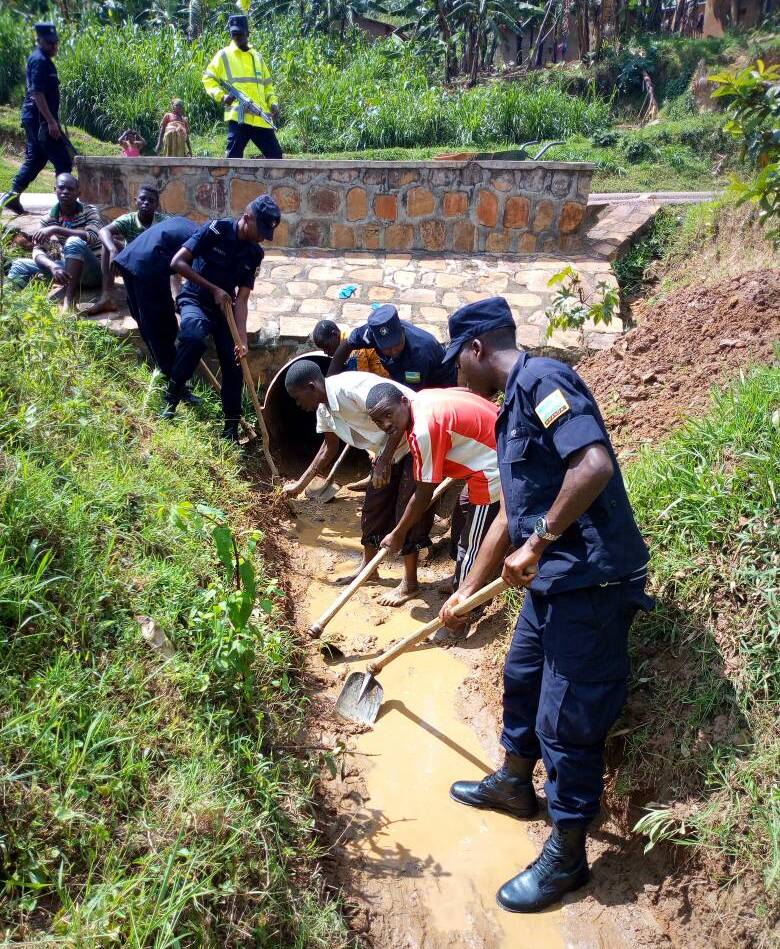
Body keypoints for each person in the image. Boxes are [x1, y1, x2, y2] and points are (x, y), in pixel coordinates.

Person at [437, 296, 653, 913]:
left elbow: (593, 465)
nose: (459, 375)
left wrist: (539, 543)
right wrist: (465, 593)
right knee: (522, 677)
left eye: (460, 362)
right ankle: (513, 782)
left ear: (478, 348)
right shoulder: (510, 409)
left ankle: (568, 854)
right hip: (551, 581)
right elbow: (511, 511)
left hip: (590, 582)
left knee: (567, 718)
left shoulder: (544, 380)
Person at [283, 363, 433, 608]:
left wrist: (384, 460)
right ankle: (369, 569)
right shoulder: (324, 410)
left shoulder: (351, 389)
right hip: (386, 450)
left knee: (407, 506)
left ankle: (410, 583)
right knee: (374, 505)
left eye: (298, 398)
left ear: (312, 386)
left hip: (414, 436)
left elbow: (396, 415)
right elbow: (328, 449)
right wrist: (300, 485)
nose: (298, 406)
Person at [366, 381, 501, 622]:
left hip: (494, 466)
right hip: (492, 446)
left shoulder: (422, 431)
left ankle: (464, 613)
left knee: (472, 545)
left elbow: (423, 493)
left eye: (388, 415)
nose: (386, 425)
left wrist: (398, 533)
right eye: (378, 421)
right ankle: (461, 580)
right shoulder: (421, 400)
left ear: (403, 402)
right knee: (462, 509)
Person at [165, 195, 281, 441]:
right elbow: (178, 263)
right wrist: (213, 289)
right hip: (196, 299)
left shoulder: (254, 253)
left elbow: (242, 300)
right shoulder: (216, 230)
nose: (261, 237)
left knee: (235, 361)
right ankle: (172, 398)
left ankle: (230, 428)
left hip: (225, 311)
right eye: (259, 230)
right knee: (194, 337)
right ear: (247, 218)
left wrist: (242, 339)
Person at [112, 215, 199, 392]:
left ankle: (169, 376)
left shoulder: (197, 230)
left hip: (133, 259)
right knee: (160, 327)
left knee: (153, 323)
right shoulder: (206, 246)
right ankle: (176, 386)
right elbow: (194, 279)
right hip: (145, 265)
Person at [1, 23, 71, 216]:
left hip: (37, 119)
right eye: (50, 43)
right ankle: (64, 210)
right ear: (39, 40)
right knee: (63, 161)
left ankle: (12, 197)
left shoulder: (44, 60)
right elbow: (37, 93)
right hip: (39, 120)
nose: (54, 47)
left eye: (56, 43)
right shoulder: (39, 60)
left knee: (36, 160)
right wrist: (50, 121)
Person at [7, 173, 103, 311]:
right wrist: (53, 266)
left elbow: (92, 236)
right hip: (69, 271)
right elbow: (37, 249)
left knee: (73, 242)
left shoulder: (90, 211)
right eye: (61, 188)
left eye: (70, 189)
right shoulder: (48, 218)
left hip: (93, 272)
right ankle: (11, 306)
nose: (65, 192)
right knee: (19, 265)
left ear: (78, 193)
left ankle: (68, 301)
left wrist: (55, 229)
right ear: (55, 190)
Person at [202, 15, 282, 160]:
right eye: (234, 34)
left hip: (260, 118)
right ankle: (226, 183)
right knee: (232, 159)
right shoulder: (223, 55)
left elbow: (268, 86)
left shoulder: (257, 57)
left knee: (276, 157)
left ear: (247, 33)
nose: (237, 37)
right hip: (239, 117)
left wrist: (273, 104)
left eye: (240, 33)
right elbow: (208, 78)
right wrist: (222, 96)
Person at [328, 305, 456, 391]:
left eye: (397, 344)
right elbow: (347, 344)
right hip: (404, 376)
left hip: (438, 383)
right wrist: (329, 383)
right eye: (387, 348)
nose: (393, 351)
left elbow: (410, 394)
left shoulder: (419, 352)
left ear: (402, 331)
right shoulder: (370, 333)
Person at [84, 184, 168, 316]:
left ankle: (175, 295)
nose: (146, 203)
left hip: (153, 266)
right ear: (135, 200)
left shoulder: (163, 222)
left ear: (157, 205)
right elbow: (103, 231)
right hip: (131, 264)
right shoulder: (129, 219)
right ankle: (107, 296)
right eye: (142, 199)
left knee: (172, 249)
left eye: (151, 201)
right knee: (107, 244)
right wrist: (113, 250)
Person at [312, 319, 390, 378]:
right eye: (323, 349)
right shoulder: (345, 333)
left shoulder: (354, 353)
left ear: (335, 334)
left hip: (386, 379)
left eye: (326, 346)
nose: (325, 352)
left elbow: (361, 381)